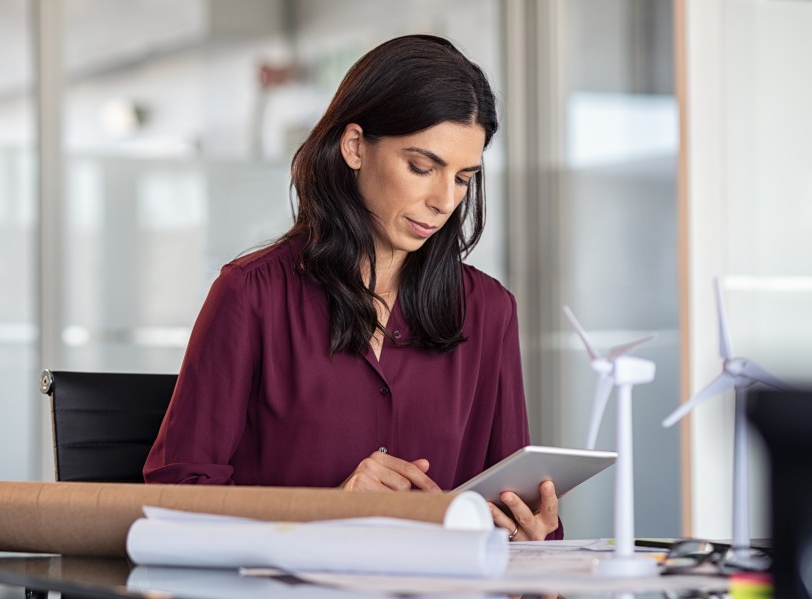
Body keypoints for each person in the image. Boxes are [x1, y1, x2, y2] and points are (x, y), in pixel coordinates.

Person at [144, 34, 562, 541]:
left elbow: (511, 501)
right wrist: (330, 511)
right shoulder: (251, 295)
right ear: (355, 147)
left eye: (463, 178)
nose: (443, 200)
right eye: (422, 168)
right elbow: (177, 495)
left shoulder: (488, 310)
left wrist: (532, 530)